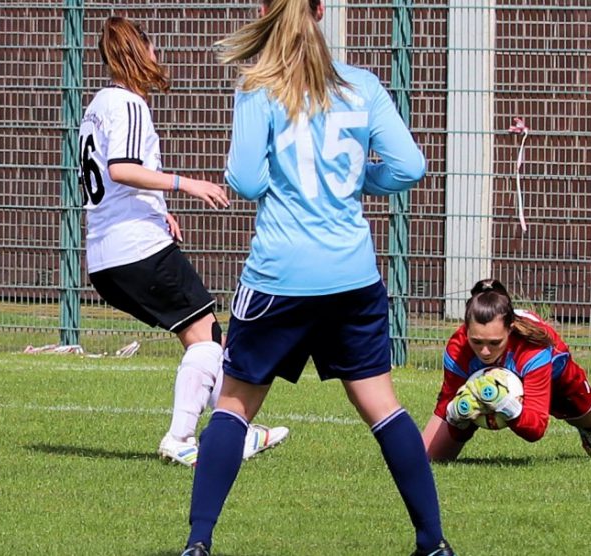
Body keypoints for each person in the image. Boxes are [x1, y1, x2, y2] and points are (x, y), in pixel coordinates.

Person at [181, 2, 454, 555]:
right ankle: (433, 544)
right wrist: (355, 181)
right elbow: (410, 167)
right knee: (384, 406)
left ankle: (198, 543)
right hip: (351, 278)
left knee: (233, 405)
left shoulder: (259, 86)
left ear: (264, 9)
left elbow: (246, 179)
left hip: (279, 277)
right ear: (321, 10)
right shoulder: (364, 85)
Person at [78, 16, 288, 468]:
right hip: (135, 248)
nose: (158, 58)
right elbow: (121, 169)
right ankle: (181, 438)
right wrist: (186, 184)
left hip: (106, 252)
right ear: (138, 53)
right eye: (153, 50)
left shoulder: (98, 104)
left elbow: (114, 181)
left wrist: (158, 209)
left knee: (203, 334)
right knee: (207, 342)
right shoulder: (129, 104)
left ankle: (234, 432)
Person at [422, 278, 591, 462]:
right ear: (466, 330)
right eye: (476, 342)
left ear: (510, 330)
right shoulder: (457, 349)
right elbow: (446, 403)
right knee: (428, 458)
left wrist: (506, 405)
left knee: (586, 413)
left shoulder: (533, 347)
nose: (485, 352)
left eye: (495, 342)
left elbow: (536, 430)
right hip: (491, 379)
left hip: (557, 377)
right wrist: (456, 414)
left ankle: (589, 429)